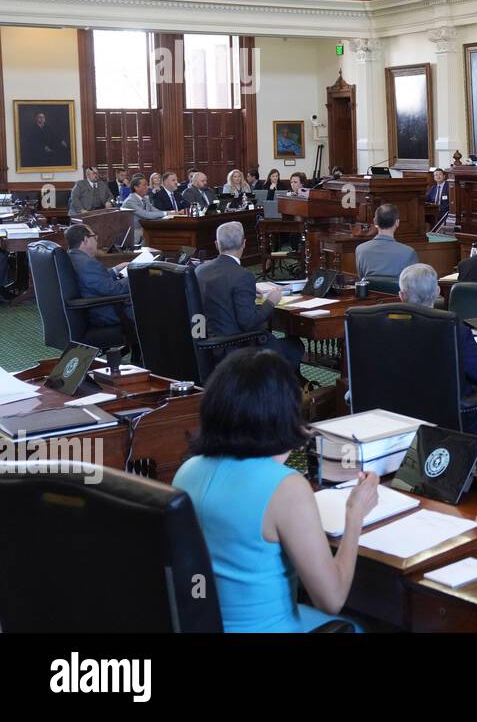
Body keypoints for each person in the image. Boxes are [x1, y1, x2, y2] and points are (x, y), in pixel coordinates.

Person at [173, 349, 378, 632]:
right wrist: (355, 515)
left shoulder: (187, 470)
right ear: (280, 415)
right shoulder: (286, 487)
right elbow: (331, 600)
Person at [397, 264, 477, 450]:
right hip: (450, 424)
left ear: (402, 295)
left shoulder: (382, 328)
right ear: (438, 291)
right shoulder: (455, 330)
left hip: (396, 417)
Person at [195, 221, 305, 372]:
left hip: (207, 348)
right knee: (294, 345)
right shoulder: (242, 275)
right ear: (244, 244)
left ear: (216, 244)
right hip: (236, 349)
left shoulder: (200, 270)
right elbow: (248, 322)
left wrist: (247, 290)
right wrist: (271, 302)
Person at [64, 223, 135, 338]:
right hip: (108, 312)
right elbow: (115, 290)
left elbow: (95, 281)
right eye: (95, 237)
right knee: (158, 305)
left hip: (97, 308)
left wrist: (116, 269)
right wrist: (135, 276)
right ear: (86, 240)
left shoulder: (74, 258)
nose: (97, 241)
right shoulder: (86, 263)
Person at [355, 203, 417, 280]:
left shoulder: (360, 250)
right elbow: (412, 285)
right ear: (397, 223)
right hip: (396, 292)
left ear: (375, 222)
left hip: (370, 292)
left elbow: (361, 280)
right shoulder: (408, 252)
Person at [121, 174, 169, 245]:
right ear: (136, 187)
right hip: (133, 233)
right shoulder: (130, 201)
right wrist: (166, 213)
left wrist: (171, 213)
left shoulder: (145, 199)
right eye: (144, 185)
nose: (147, 187)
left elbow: (155, 210)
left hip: (144, 229)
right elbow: (146, 215)